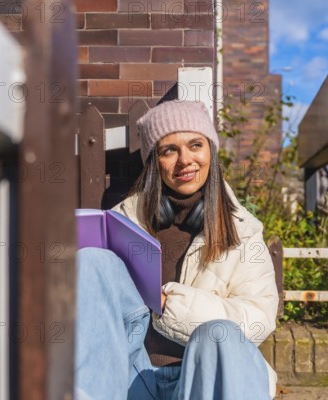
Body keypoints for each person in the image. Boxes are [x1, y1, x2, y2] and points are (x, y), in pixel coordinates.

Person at [75, 100, 279, 400]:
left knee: (219, 334)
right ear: (154, 162)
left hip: (201, 381)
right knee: (91, 261)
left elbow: (258, 321)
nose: (185, 160)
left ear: (211, 150)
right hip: (131, 377)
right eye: (169, 150)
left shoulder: (243, 229)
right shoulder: (122, 220)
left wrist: (169, 304)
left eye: (195, 144)